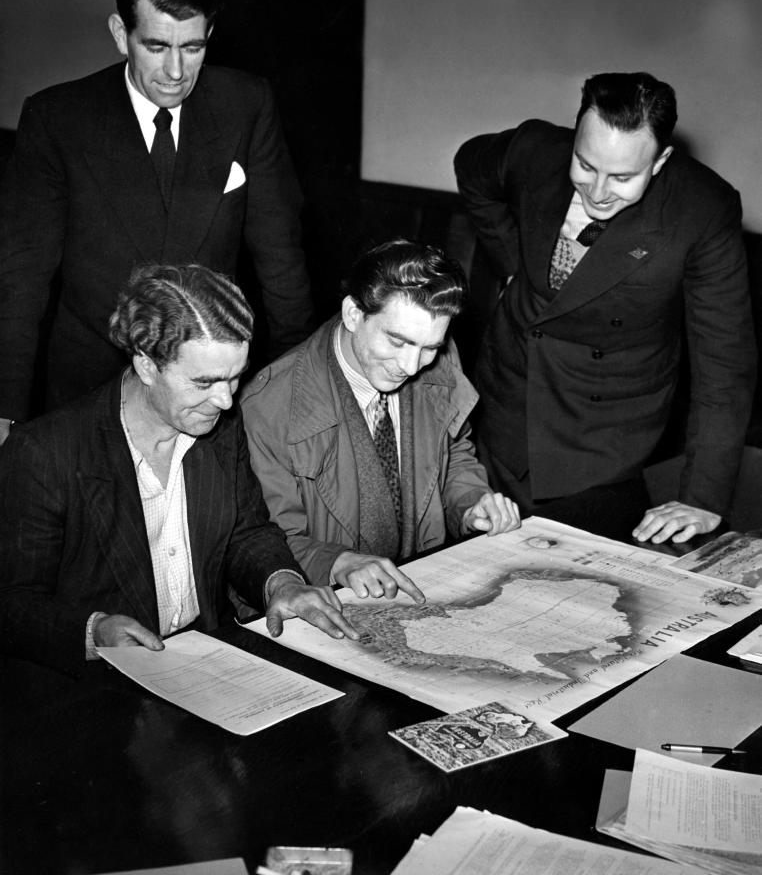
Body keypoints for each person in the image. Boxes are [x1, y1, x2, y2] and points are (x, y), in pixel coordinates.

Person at [0, 0, 313, 446]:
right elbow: (20, 280)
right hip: (93, 382)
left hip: (210, 392)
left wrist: (299, 386)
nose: (175, 71)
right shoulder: (57, 118)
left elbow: (281, 258)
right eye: (156, 46)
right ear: (119, 32)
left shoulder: (245, 104)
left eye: (193, 48)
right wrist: (6, 411)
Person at [0, 264, 356, 680]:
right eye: (204, 383)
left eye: (235, 378)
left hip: (208, 659)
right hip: (92, 686)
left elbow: (246, 531)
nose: (225, 400)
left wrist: (281, 583)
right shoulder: (47, 452)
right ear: (147, 366)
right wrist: (94, 631)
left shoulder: (219, 427)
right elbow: (11, 601)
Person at [454, 71, 756, 545]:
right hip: (506, 401)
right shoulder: (535, 150)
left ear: (660, 161)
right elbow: (472, 167)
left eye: (622, 177)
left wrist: (702, 498)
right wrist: (511, 263)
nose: (596, 192)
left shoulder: (702, 210)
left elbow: (724, 364)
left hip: (603, 439)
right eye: (585, 165)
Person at [240, 240, 520, 602]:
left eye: (429, 347)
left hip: (419, 585)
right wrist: (338, 562)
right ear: (354, 314)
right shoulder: (269, 407)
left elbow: (453, 456)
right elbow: (263, 540)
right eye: (397, 341)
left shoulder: (439, 357)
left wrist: (472, 503)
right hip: (325, 602)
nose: (411, 365)